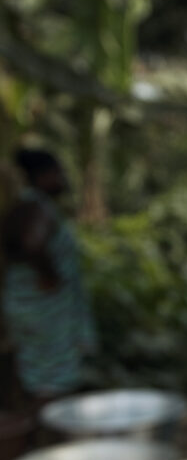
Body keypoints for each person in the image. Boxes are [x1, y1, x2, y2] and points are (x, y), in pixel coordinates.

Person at [1, 148, 96, 411]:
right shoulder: (38, 206)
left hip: (30, 309)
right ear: (40, 176)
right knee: (52, 384)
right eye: (57, 173)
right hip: (45, 314)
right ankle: (52, 439)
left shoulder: (23, 205)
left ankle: (37, 433)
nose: (62, 179)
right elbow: (31, 244)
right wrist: (49, 275)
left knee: (37, 377)